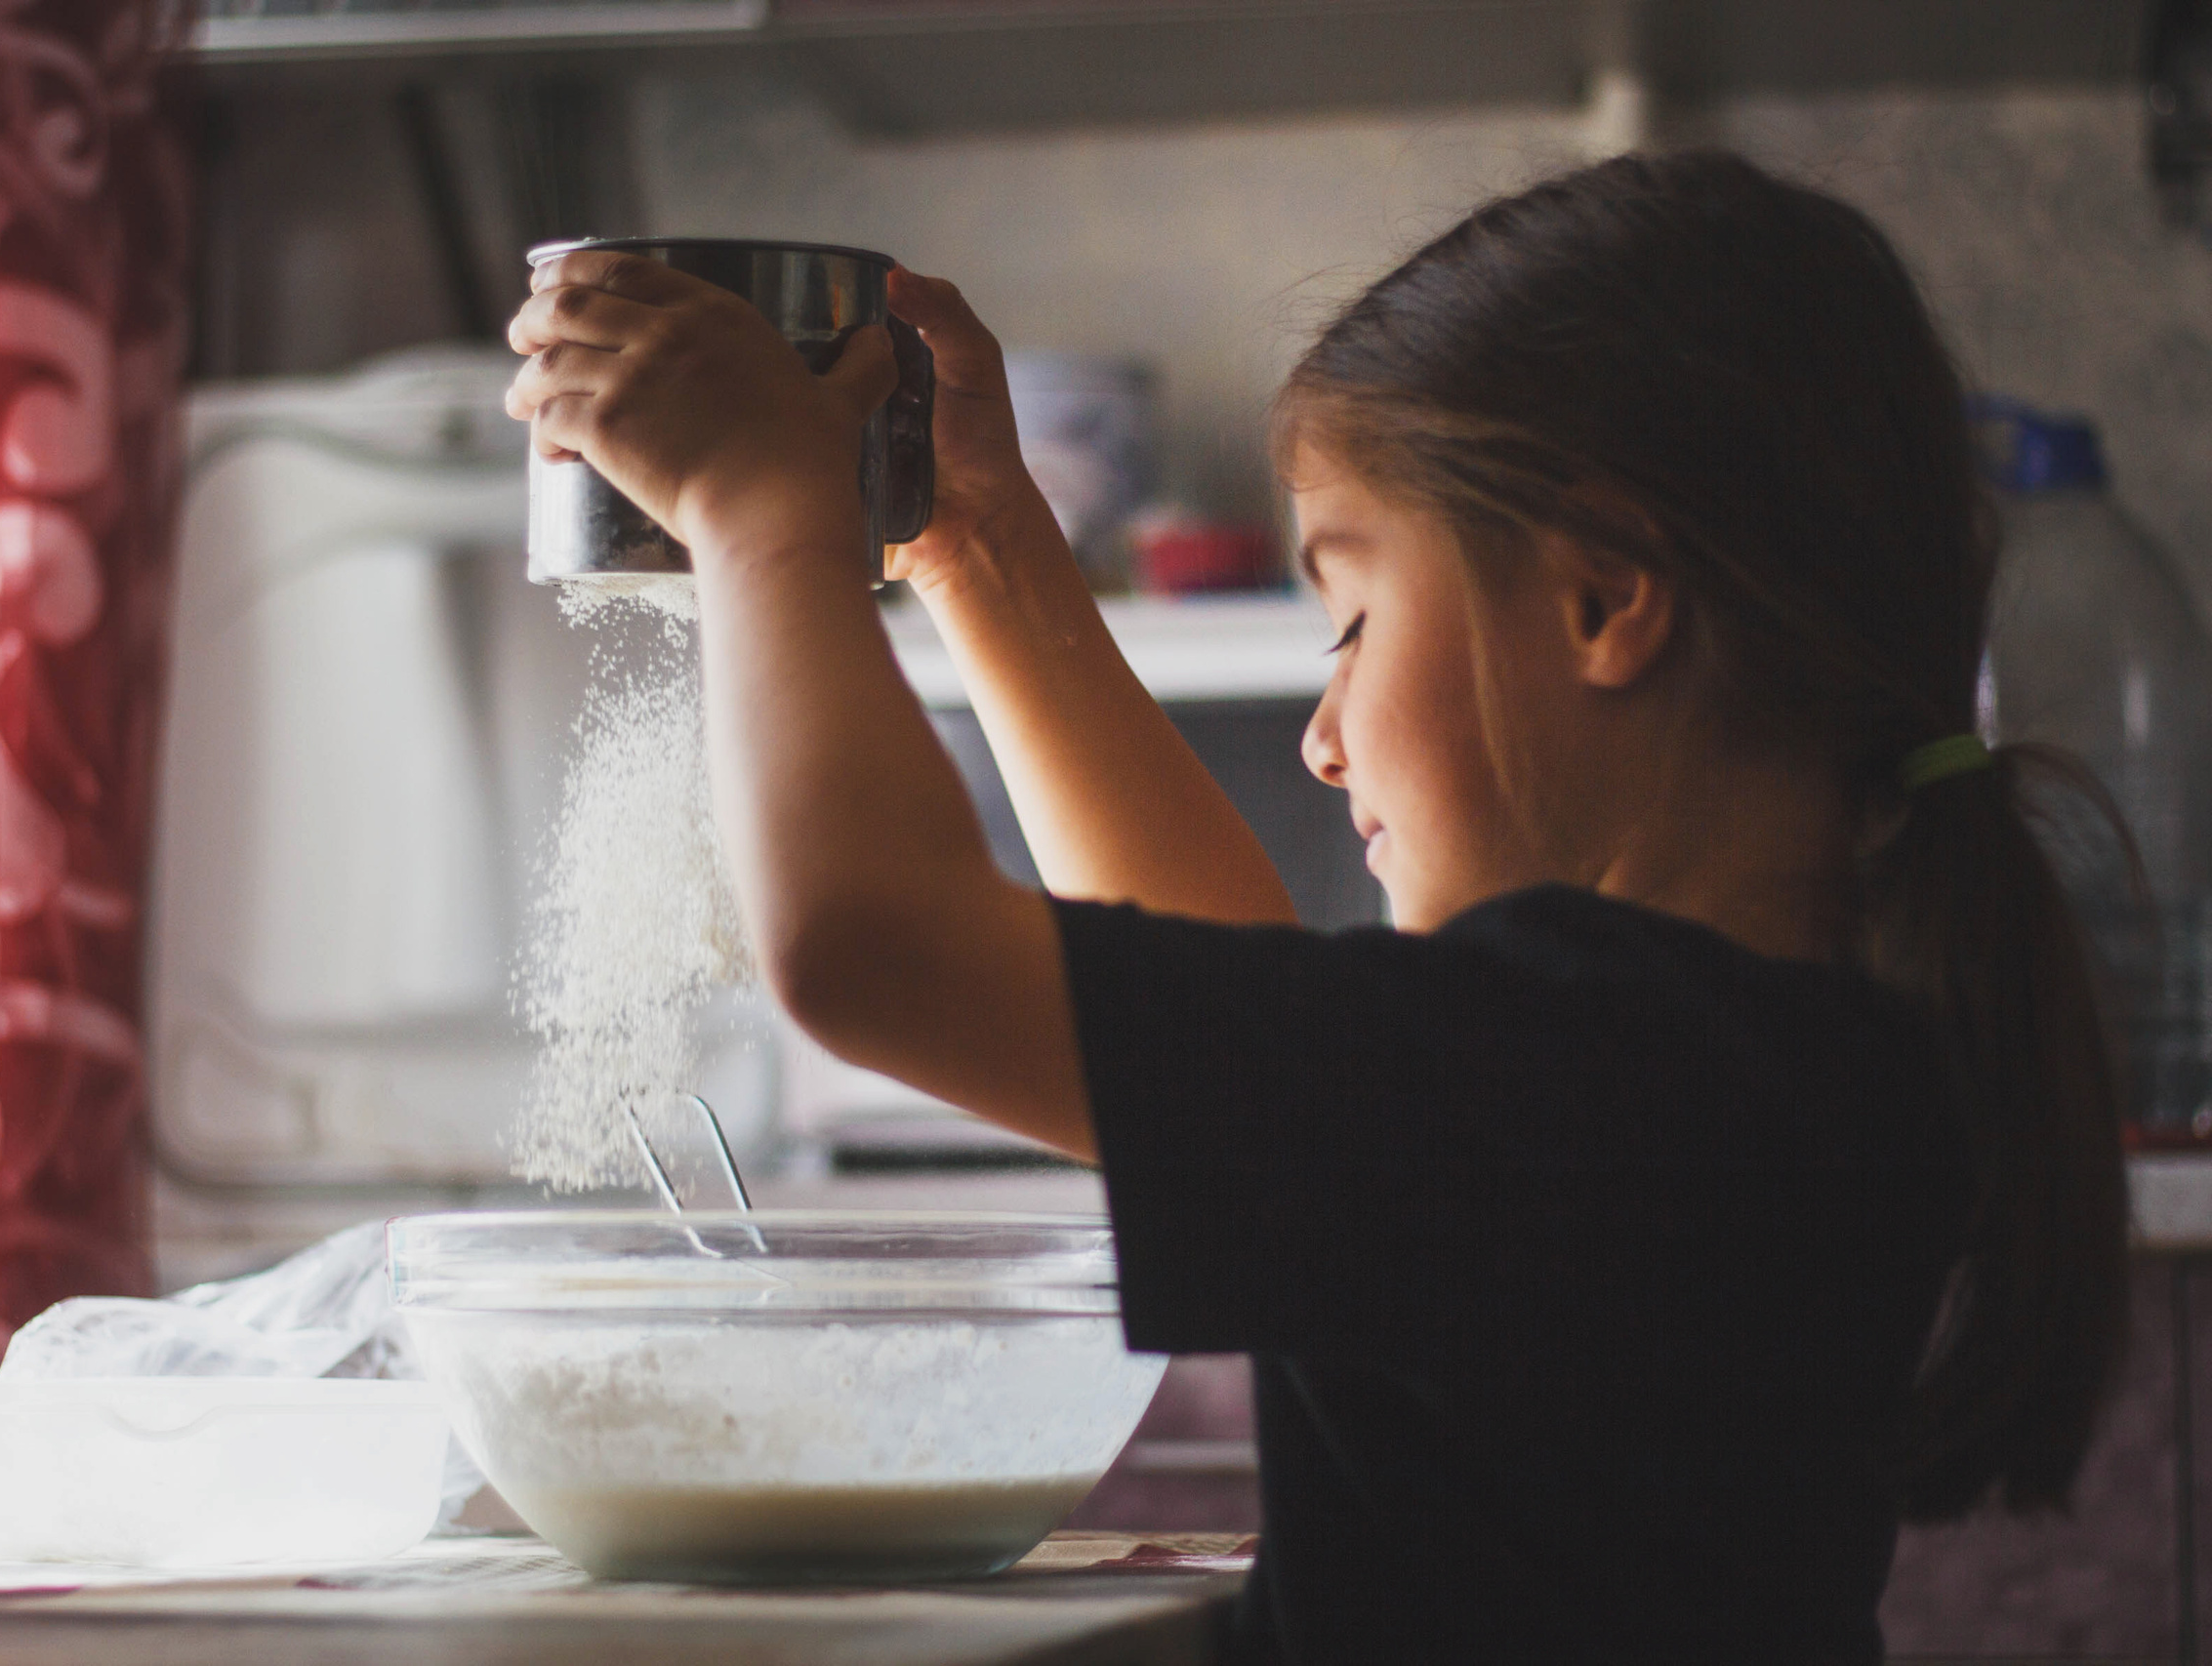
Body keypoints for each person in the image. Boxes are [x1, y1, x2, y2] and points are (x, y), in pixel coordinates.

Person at [503, 150, 2132, 1663]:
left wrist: (759, 511)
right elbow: (1236, 993)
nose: (1321, 725)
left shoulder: (1594, 1075)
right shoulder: (1760, 1062)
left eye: (1350, 614)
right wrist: (983, 548)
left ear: (1604, 601)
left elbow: (872, 947)